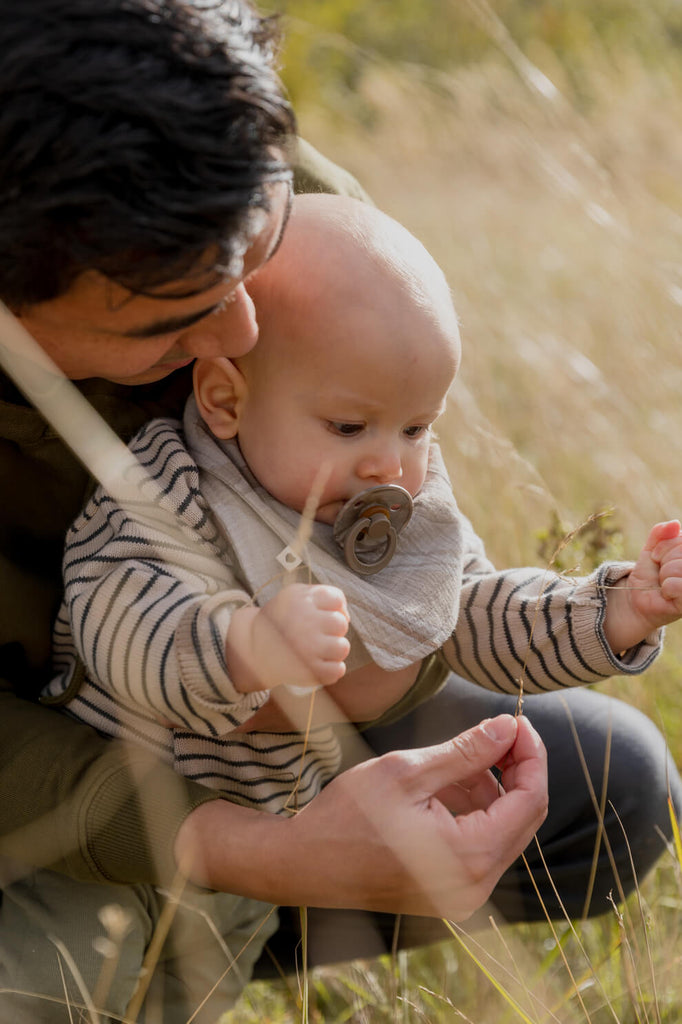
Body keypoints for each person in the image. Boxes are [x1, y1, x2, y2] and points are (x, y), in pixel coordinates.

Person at [0, 0, 673, 1019]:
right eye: (174, 314)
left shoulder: (271, 199)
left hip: (261, 773)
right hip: (65, 795)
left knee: (611, 777)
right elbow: (120, 618)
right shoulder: (162, 494)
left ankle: (213, 931)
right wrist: (240, 669)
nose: (245, 323)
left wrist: (611, 608)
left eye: (253, 245)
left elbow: (456, 603)